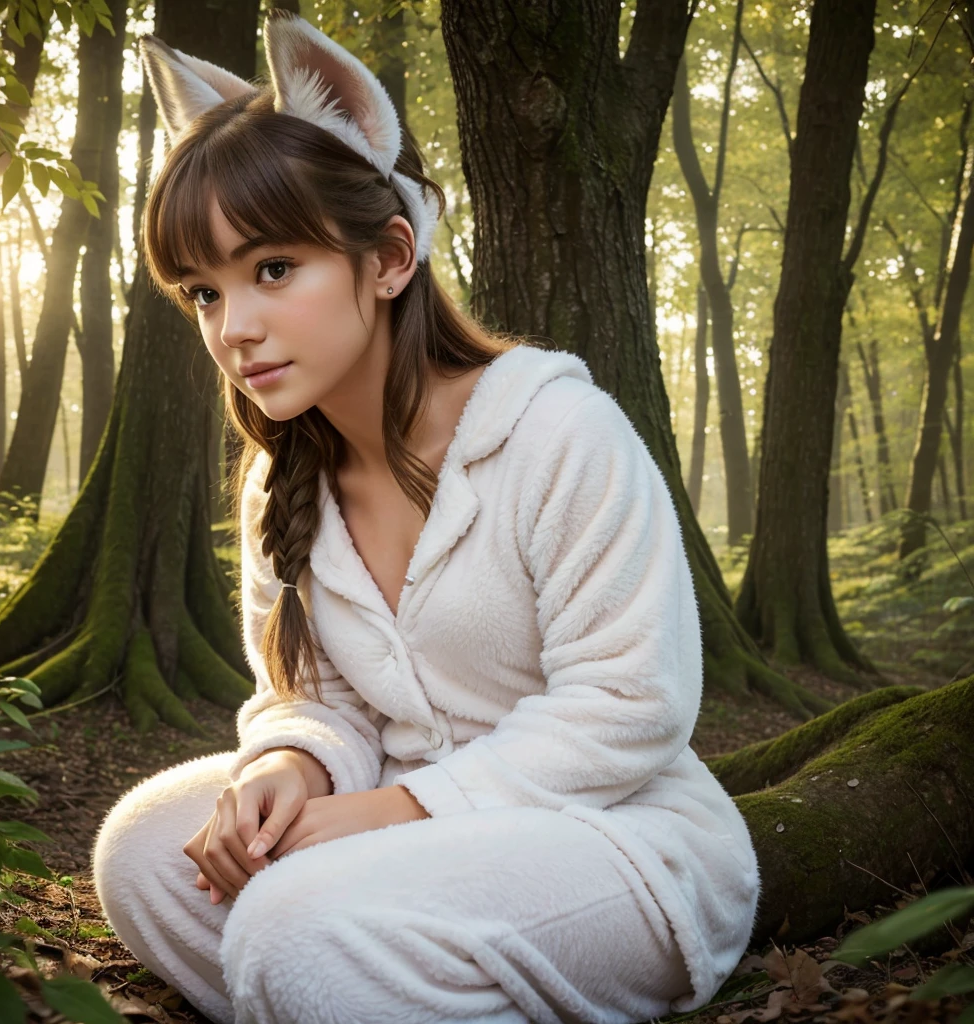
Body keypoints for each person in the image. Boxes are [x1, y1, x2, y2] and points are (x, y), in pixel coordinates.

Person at [92, 10, 761, 1024]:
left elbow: (630, 703)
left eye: (273, 269)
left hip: (614, 839)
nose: (236, 328)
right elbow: (309, 696)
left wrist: (386, 813)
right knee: (142, 855)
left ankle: (337, 969)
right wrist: (291, 762)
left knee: (290, 924)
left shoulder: (557, 429)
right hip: (401, 827)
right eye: (202, 292)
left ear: (391, 257)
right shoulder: (284, 482)